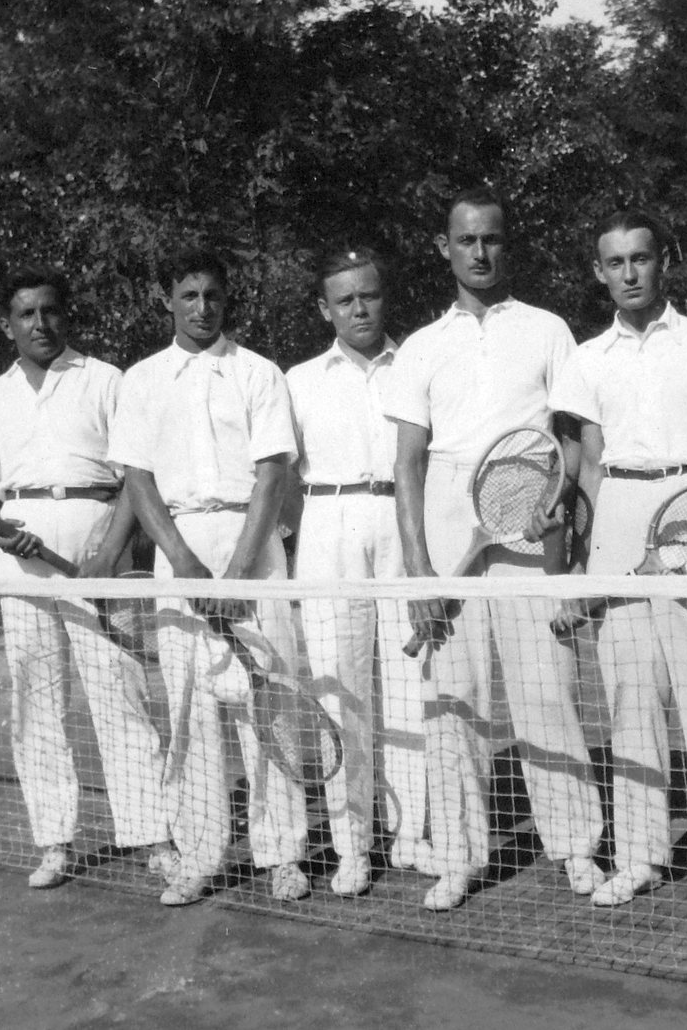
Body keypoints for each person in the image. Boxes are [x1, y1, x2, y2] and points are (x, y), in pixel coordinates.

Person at [385, 187, 605, 911]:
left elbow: (572, 438)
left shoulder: (546, 329)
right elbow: (409, 465)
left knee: (547, 690)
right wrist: (421, 569)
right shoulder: (421, 345)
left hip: (530, 511)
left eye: (493, 240)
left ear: (509, 245)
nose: (480, 253)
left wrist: (558, 503)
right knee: (454, 700)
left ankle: (575, 847)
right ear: (444, 249)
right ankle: (458, 857)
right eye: (466, 240)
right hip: (450, 516)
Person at [547, 210, 687, 909]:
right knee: (631, 696)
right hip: (620, 516)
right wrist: (587, 561)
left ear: (665, 260)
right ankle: (640, 854)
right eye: (615, 262)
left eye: (641, 258)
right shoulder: (586, 357)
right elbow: (591, 466)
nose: (629, 273)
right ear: (599, 271)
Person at [0, 265, 175, 892]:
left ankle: (152, 836)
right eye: (26, 314)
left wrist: (109, 553)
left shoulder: (106, 380)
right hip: (21, 563)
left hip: (100, 551)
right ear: (8, 325)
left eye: (50, 311)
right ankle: (54, 840)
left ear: (65, 315)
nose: (40, 324)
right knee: (37, 703)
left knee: (119, 694)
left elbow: (136, 477)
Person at [111, 246, 310, 906]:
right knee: (192, 711)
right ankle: (201, 854)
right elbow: (137, 480)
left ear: (228, 301)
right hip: (179, 551)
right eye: (189, 295)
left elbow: (273, 474)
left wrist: (238, 570)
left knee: (269, 705)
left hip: (253, 554)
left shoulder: (258, 373)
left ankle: (282, 852)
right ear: (166, 299)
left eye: (213, 296)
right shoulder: (140, 381)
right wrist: (187, 563)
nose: (202, 308)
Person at [286, 247, 437, 895]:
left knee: (411, 687)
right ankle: (354, 845)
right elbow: (285, 482)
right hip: (329, 527)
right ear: (325, 309)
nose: (359, 309)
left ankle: (413, 836)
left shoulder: (418, 365)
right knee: (338, 690)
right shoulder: (297, 379)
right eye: (344, 300)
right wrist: (318, 529)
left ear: (384, 295)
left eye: (368, 295)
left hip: (402, 523)